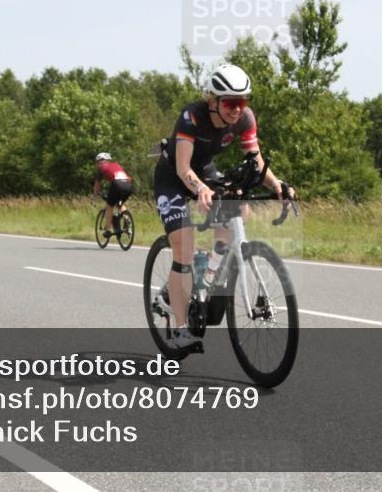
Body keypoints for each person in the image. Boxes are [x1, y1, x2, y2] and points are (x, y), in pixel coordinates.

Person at [154, 64, 295, 349]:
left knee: (237, 209)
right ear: (213, 100)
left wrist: (277, 185)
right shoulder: (192, 116)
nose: (237, 109)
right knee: (183, 244)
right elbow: (183, 168)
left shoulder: (244, 119)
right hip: (173, 176)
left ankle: (206, 274)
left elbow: (256, 161)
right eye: (230, 102)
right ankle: (181, 330)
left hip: (205, 171)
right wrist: (202, 189)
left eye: (242, 102)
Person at [92, 153, 133, 238]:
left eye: (97, 162)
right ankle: (126, 217)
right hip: (128, 184)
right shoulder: (116, 165)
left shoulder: (102, 167)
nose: (97, 164)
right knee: (120, 204)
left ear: (100, 161)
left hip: (117, 184)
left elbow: (98, 184)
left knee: (109, 206)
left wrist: (94, 196)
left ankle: (107, 229)